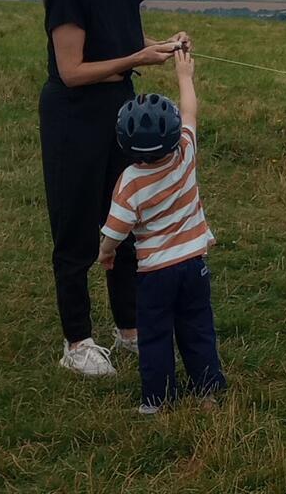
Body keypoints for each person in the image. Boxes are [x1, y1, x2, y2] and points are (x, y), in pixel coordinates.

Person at [39, 0, 191, 377]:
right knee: (77, 230)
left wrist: (160, 45)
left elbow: (125, 36)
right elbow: (72, 71)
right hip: (74, 119)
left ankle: (129, 328)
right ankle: (77, 342)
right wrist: (136, 59)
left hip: (119, 114)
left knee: (127, 217)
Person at [98, 49, 226, 414]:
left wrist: (106, 252)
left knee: (155, 335)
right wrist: (184, 76)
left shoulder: (130, 182)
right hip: (195, 264)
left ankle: (157, 400)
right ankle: (207, 392)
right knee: (198, 327)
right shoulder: (186, 152)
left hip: (155, 274)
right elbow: (191, 112)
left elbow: (116, 231)